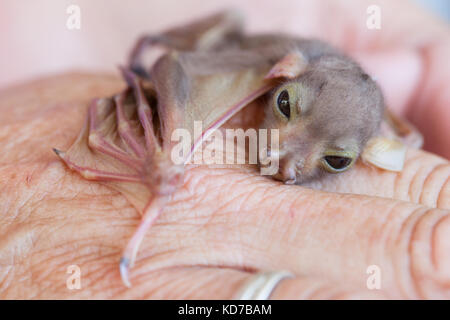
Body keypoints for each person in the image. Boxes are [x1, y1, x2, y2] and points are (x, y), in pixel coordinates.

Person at [0, 0, 448, 299]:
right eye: (285, 106)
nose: (282, 161)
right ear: (282, 73)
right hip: (215, 57)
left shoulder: (384, 124)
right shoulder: (275, 66)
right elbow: (176, 66)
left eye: (336, 159)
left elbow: (403, 137)